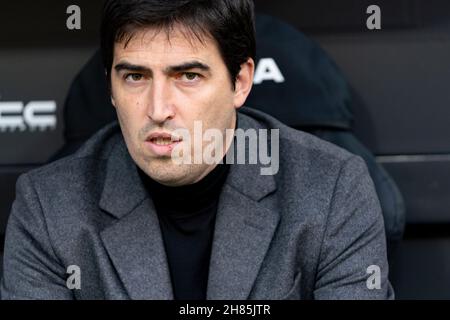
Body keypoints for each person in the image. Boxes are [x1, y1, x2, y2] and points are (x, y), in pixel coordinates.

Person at [1, 0, 393, 299]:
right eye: (135, 77)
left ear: (240, 81)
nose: (157, 110)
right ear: (111, 87)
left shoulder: (332, 189)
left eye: (188, 76)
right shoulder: (48, 208)